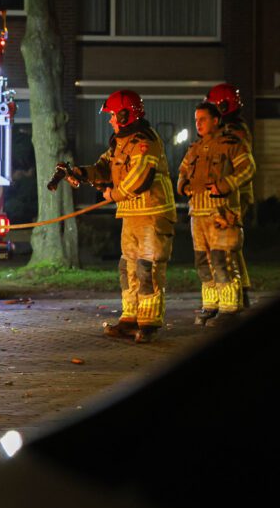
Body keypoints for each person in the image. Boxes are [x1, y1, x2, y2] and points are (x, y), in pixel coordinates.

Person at [72, 90, 176, 343]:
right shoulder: (120, 143)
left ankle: (148, 323)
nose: (110, 120)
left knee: (147, 269)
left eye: (112, 115)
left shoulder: (145, 141)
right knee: (127, 268)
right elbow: (104, 168)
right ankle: (130, 318)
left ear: (124, 115)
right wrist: (80, 173)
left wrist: (113, 194)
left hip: (152, 214)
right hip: (131, 215)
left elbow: (140, 177)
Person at [177, 102, 256, 327]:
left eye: (203, 119)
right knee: (203, 263)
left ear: (215, 120)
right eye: (196, 120)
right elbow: (182, 171)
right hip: (198, 215)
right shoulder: (194, 148)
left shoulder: (231, 144)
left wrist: (225, 184)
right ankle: (211, 305)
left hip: (222, 214)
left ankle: (230, 309)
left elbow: (248, 168)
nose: (198, 124)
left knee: (223, 261)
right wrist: (183, 186)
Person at [206, 83, 254, 307]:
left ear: (223, 106)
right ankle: (242, 292)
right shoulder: (234, 127)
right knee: (232, 249)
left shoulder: (235, 131)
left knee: (229, 246)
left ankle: (236, 296)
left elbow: (235, 164)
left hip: (234, 194)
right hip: (230, 192)